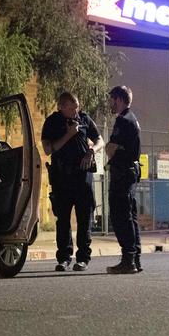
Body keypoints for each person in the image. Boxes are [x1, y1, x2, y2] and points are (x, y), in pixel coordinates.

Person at [41, 92, 104, 272]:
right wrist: (69, 134)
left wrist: (92, 150)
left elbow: (100, 140)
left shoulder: (84, 119)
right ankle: (64, 257)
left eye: (77, 106)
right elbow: (47, 149)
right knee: (63, 219)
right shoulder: (52, 122)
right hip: (62, 176)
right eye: (71, 107)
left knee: (84, 218)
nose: (76, 110)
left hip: (82, 176)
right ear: (61, 107)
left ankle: (83, 257)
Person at [105, 86, 142, 274]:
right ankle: (135, 258)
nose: (110, 103)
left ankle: (128, 260)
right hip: (130, 172)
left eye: (112, 99)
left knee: (121, 216)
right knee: (130, 216)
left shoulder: (123, 120)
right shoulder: (132, 119)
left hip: (122, 174)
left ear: (119, 99)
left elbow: (110, 148)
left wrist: (110, 150)